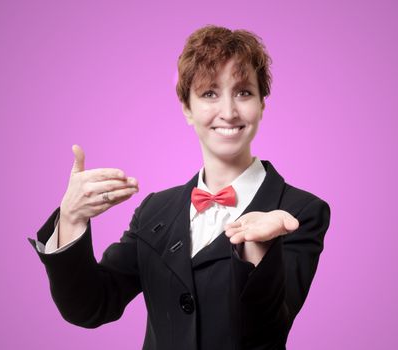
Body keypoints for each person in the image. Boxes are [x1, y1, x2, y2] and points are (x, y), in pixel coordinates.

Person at [28, 25, 331, 350]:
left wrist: (259, 249)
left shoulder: (301, 211)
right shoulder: (155, 209)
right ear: (187, 108)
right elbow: (92, 306)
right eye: (209, 93)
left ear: (262, 105)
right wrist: (71, 218)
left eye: (244, 92)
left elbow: (266, 333)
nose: (228, 113)